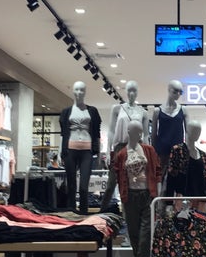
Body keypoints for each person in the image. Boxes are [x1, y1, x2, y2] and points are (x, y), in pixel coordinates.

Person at [113, 120, 161, 257]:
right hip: (130, 199)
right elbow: (118, 177)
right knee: (134, 238)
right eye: (136, 132)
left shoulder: (148, 150)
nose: (139, 135)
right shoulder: (121, 154)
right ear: (128, 132)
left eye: (141, 132)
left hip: (147, 197)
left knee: (144, 239)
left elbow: (157, 172)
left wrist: (158, 197)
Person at [101, 80, 149, 211]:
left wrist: (147, 153)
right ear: (125, 91)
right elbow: (111, 131)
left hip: (136, 148)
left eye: (134, 90)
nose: (131, 93)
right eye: (129, 90)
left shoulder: (142, 112)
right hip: (120, 147)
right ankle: (102, 211)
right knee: (112, 182)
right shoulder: (117, 108)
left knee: (132, 183)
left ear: (137, 92)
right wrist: (108, 150)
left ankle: (130, 214)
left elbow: (145, 135)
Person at [59, 81, 102, 214]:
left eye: (82, 90)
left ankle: (84, 213)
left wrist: (99, 153)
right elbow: (63, 134)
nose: (79, 93)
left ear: (85, 92)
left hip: (87, 151)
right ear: (73, 91)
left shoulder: (92, 111)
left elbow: (97, 133)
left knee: (84, 186)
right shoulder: (66, 112)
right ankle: (71, 212)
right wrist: (60, 151)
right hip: (70, 149)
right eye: (77, 90)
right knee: (71, 185)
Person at [166, 120, 206, 201]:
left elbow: (205, 178)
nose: (197, 133)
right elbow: (171, 175)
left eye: (198, 131)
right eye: (194, 130)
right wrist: (169, 201)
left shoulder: (203, 155)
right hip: (183, 197)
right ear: (187, 131)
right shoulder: (178, 150)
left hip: (201, 197)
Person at [151, 79, 189, 173]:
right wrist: (153, 152)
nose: (178, 94)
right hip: (161, 151)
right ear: (168, 90)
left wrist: (188, 150)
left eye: (181, 92)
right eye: (175, 91)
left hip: (178, 151)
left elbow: (188, 132)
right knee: (160, 176)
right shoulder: (157, 111)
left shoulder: (183, 110)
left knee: (178, 177)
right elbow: (153, 134)